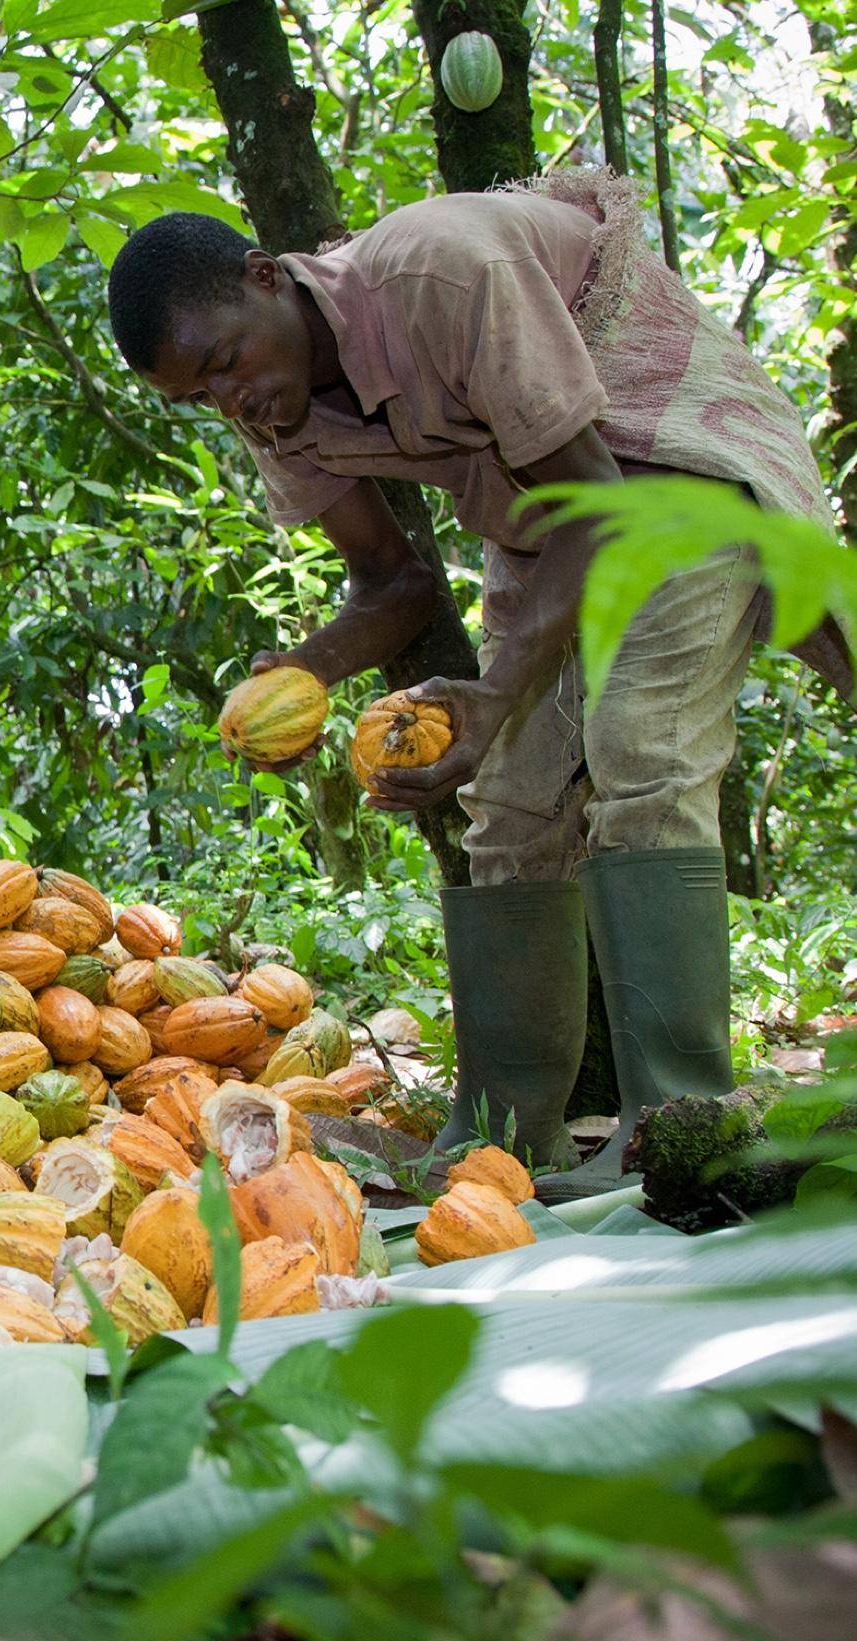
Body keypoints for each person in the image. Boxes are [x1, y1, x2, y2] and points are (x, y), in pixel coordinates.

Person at [104, 171, 849, 1198]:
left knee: (640, 748)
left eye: (226, 362)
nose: (230, 401)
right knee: (507, 802)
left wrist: (496, 693)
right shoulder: (271, 410)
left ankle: (679, 1121)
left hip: (666, 464)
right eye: (200, 397)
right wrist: (305, 671)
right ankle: (502, 1131)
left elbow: (600, 501)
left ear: (266, 278)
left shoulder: (440, 270)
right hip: (549, 514)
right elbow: (394, 585)